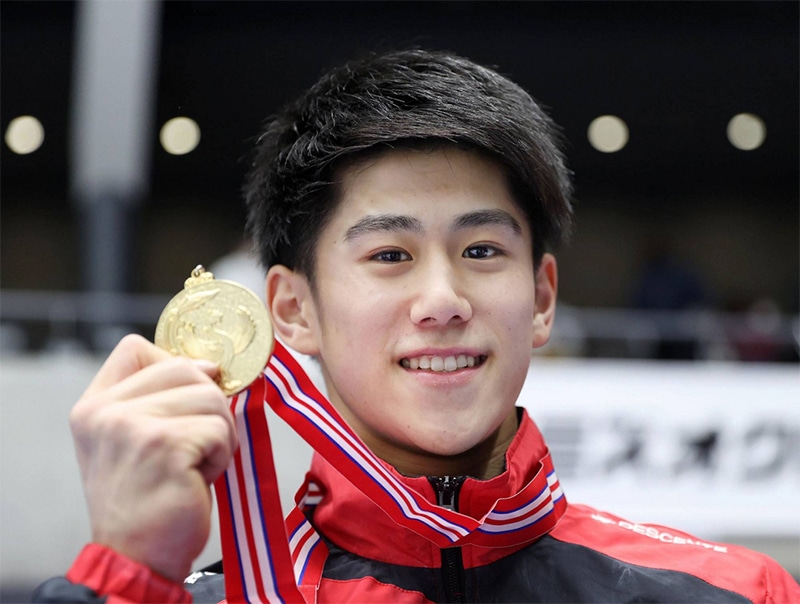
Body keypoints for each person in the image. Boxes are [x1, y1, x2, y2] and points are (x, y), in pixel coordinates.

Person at [34, 49, 798, 603]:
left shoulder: (728, 593)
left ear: (541, 298)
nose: (443, 299)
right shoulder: (197, 597)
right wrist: (128, 573)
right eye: (391, 254)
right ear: (294, 310)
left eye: (480, 249)